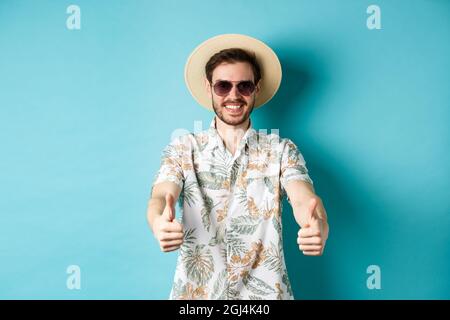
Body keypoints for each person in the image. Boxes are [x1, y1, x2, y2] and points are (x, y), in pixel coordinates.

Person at [147, 34, 329, 300]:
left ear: (256, 88)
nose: (234, 95)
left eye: (244, 86)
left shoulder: (281, 150)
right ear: (209, 88)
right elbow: (161, 196)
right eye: (223, 86)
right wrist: (157, 222)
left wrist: (318, 226)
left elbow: (305, 200)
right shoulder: (182, 148)